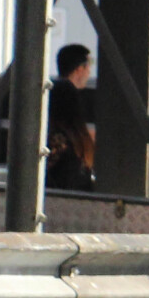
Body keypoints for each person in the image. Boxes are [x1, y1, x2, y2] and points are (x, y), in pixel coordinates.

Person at [46, 43, 95, 194]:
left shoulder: (51, 91)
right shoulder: (78, 140)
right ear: (80, 69)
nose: (89, 72)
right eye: (88, 66)